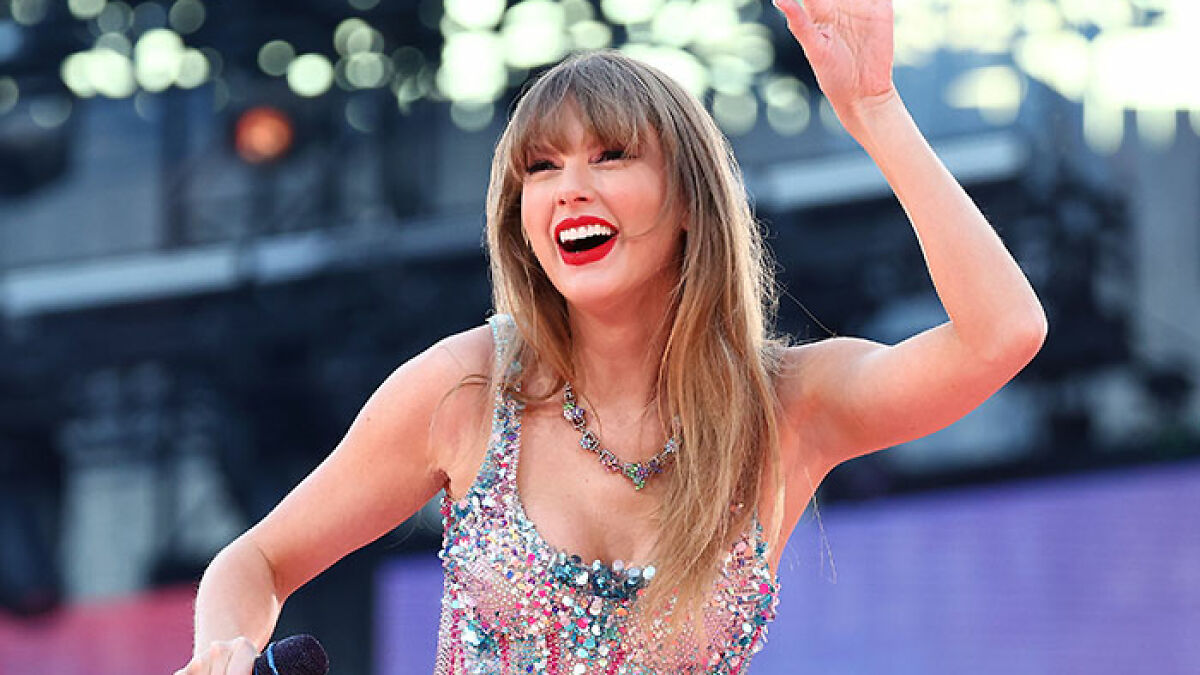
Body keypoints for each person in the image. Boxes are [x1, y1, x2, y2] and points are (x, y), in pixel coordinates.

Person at [175, 0, 1047, 672]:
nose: (569, 189)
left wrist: (876, 109)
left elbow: (1002, 333)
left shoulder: (787, 407)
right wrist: (223, 651)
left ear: (689, 204)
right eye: (541, 168)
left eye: (611, 156)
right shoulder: (467, 388)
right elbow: (256, 560)